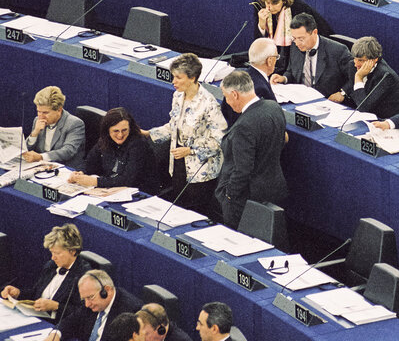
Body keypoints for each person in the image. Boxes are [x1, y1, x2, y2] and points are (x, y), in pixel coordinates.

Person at [145, 54, 227, 217]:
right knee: (179, 209)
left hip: (200, 170)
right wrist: (149, 134)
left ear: (193, 78)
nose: (173, 82)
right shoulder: (177, 95)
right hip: (178, 163)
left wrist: (190, 150)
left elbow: (219, 141)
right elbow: (173, 126)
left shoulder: (208, 104)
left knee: (195, 213)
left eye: (178, 78)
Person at [216, 71, 288, 228]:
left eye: (226, 96)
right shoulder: (274, 107)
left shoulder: (243, 126)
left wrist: (229, 195)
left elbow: (243, 170)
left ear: (234, 94)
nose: (226, 102)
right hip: (273, 188)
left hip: (246, 199)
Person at [1, 224, 91, 323]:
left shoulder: (83, 275)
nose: (53, 257)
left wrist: (56, 306)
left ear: (73, 251)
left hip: (58, 325)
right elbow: (36, 293)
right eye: (51, 253)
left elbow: (84, 312)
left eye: (57, 253)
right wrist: (18, 293)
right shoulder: (51, 265)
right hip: (36, 318)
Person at [69, 108, 158, 193]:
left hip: (139, 192)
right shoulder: (105, 140)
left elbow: (128, 180)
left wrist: (95, 181)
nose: (120, 135)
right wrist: (80, 172)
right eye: (116, 131)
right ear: (107, 130)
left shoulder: (138, 144)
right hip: (111, 189)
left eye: (124, 130)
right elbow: (90, 162)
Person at [252, 0, 332, 72]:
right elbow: (259, 43)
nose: (270, 7)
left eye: (275, 3)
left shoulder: (298, 9)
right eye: (268, 3)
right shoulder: (261, 7)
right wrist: (261, 25)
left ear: (284, 1)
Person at [270, 13, 353, 101]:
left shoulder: (337, 51)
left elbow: (355, 76)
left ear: (314, 32)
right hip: (300, 99)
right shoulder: (295, 46)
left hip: (327, 101)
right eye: (294, 38)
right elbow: (291, 71)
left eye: (301, 39)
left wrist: (342, 93)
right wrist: (283, 78)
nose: (297, 43)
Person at [46, 270, 142, 341]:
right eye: (84, 299)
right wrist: (55, 334)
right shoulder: (91, 303)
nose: (87, 304)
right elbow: (71, 321)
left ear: (106, 291)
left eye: (90, 297)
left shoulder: (129, 311)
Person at [341, 36, 399, 119]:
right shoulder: (353, 65)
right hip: (372, 114)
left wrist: (358, 77)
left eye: (361, 60)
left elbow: (363, 107)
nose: (356, 64)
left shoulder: (386, 76)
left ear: (374, 60)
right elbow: (353, 91)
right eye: (355, 59)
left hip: (395, 119)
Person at [23, 86, 85, 169]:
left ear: (59, 110)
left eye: (45, 112)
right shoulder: (37, 120)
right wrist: (35, 133)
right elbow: (27, 149)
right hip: (42, 167)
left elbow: (67, 151)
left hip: (67, 169)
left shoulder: (75, 124)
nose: (41, 116)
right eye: (38, 111)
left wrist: (41, 157)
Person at [220, 39, 278, 126]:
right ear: (269, 61)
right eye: (276, 57)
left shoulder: (236, 76)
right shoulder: (260, 89)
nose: (277, 60)